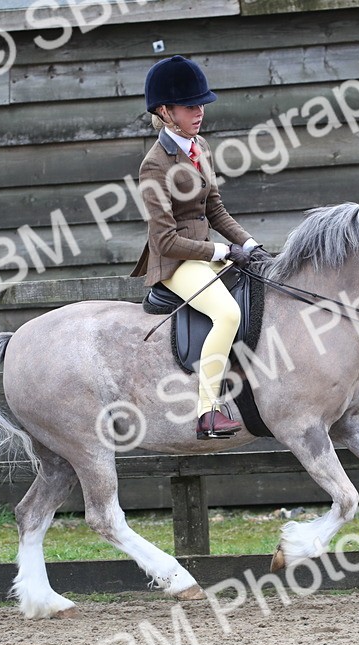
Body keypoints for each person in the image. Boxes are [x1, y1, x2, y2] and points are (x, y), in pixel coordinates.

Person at [131, 55, 260, 440]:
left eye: (201, 104)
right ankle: (208, 413)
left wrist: (249, 243)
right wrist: (220, 252)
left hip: (205, 252)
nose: (199, 112)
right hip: (176, 261)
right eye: (189, 107)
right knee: (227, 313)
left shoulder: (199, 145)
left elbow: (214, 208)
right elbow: (164, 240)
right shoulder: (154, 165)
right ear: (165, 112)